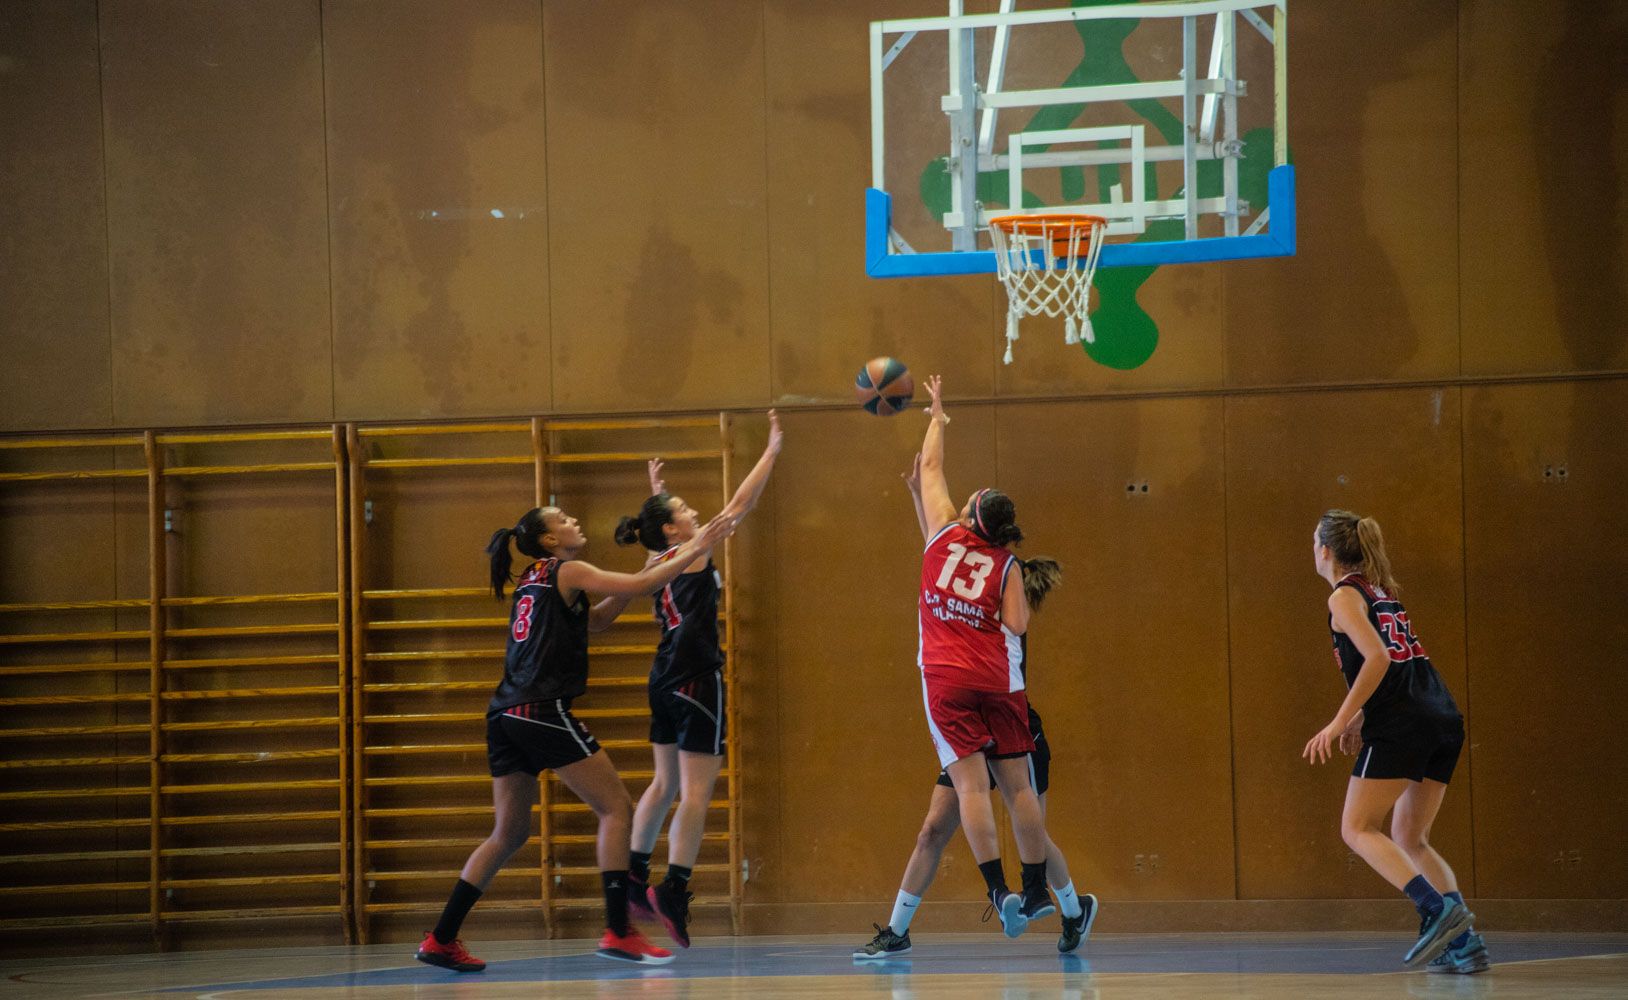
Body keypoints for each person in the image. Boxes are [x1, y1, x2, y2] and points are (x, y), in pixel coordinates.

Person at [415, 504, 734, 970]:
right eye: (562, 519)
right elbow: (645, 586)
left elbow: (597, 621)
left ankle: (441, 939)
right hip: (541, 709)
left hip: (504, 714)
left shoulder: (534, 577)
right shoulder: (570, 569)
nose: (573, 522)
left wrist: (649, 570)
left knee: (508, 832)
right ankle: (619, 931)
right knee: (616, 808)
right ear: (549, 539)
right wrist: (696, 548)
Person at [854, 455, 1097, 960]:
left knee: (1027, 822)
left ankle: (1071, 907)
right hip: (976, 713)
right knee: (933, 828)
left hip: (999, 715)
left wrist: (927, 484)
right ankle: (897, 930)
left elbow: (942, 543)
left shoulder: (999, 594)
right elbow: (939, 543)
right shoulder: (991, 570)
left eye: (968, 512)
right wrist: (917, 493)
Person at [622, 412, 785, 947]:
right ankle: (674, 887)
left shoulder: (658, 554)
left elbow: (662, 529)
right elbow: (741, 505)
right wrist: (771, 452)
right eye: (685, 510)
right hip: (695, 680)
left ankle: (631, 876)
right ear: (674, 528)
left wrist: (657, 495)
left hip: (661, 679)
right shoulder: (693, 551)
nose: (697, 513)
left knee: (663, 783)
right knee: (695, 792)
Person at [1302, 510, 1487, 973]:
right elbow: (1397, 667)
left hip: (1404, 723)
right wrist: (1359, 718)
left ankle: (1435, 910)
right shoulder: (1378, 591)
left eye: (1312, 543)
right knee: (1411, 837)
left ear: (1326, 551)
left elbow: (1378, 658)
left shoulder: (1344, 597)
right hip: (1441, 715)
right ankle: (1464, 943)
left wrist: (1337, 719)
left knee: (1357, 827)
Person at [910, 375, 1057, 939]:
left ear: (970, 514)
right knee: (1019, 787)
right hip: (999, 681)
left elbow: (929, 469)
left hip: (947, 679)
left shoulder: (942, 534)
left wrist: (938, 415)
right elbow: (1017, 625)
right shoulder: (1007, 566)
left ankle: (999, 889)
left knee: (970, 789)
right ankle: (1037, 885)